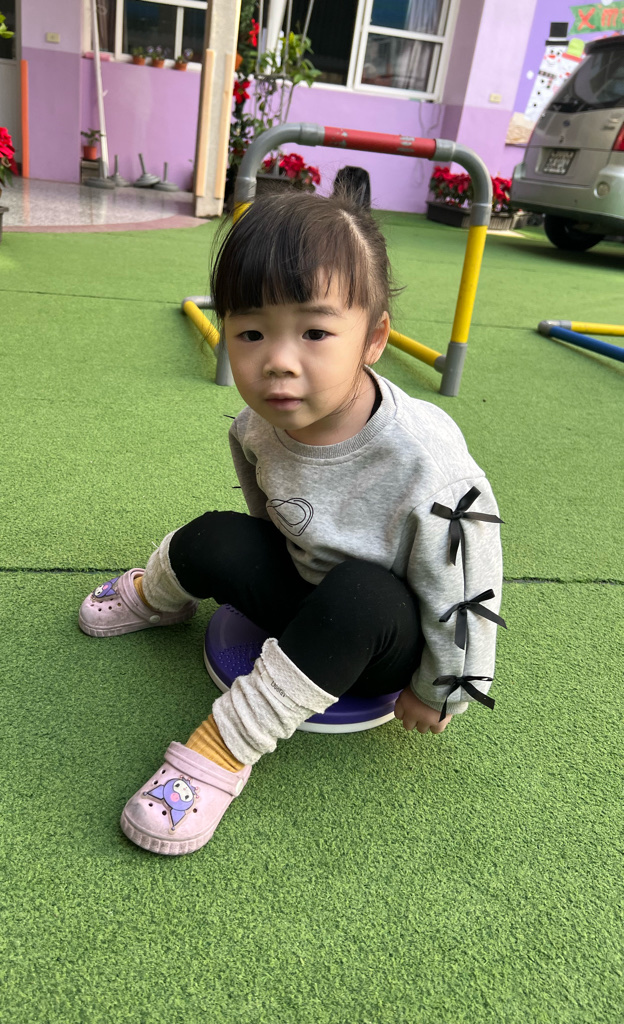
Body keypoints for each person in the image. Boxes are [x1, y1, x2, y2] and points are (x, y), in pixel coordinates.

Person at [79, 188, 505, 857]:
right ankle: (155, 597)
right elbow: (265, 510)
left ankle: (222, 749)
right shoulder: (261, 422)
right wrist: (254, 563)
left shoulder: (428, 465)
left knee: (361, 595)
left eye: (314, 333)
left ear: (373, 339)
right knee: (214, 533)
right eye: (251, 333)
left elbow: (468, 588)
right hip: (304, 590)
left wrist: (441, 691)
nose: (277, 360)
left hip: (380, 637)